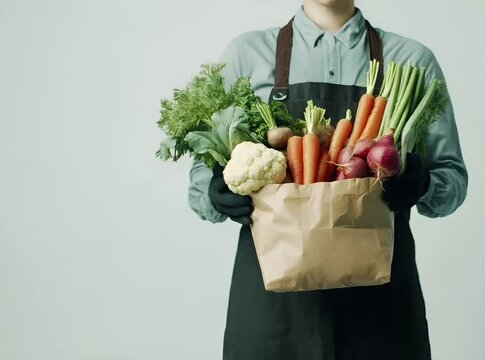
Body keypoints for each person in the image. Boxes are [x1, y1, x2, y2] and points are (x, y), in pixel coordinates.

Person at [188, 0, 467, 358]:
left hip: (380, 312)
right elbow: (198, 182)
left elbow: (453, 182)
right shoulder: (248, 55)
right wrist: (214, 194)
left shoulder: (412, 59)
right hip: (273, 311)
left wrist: (422, 182)